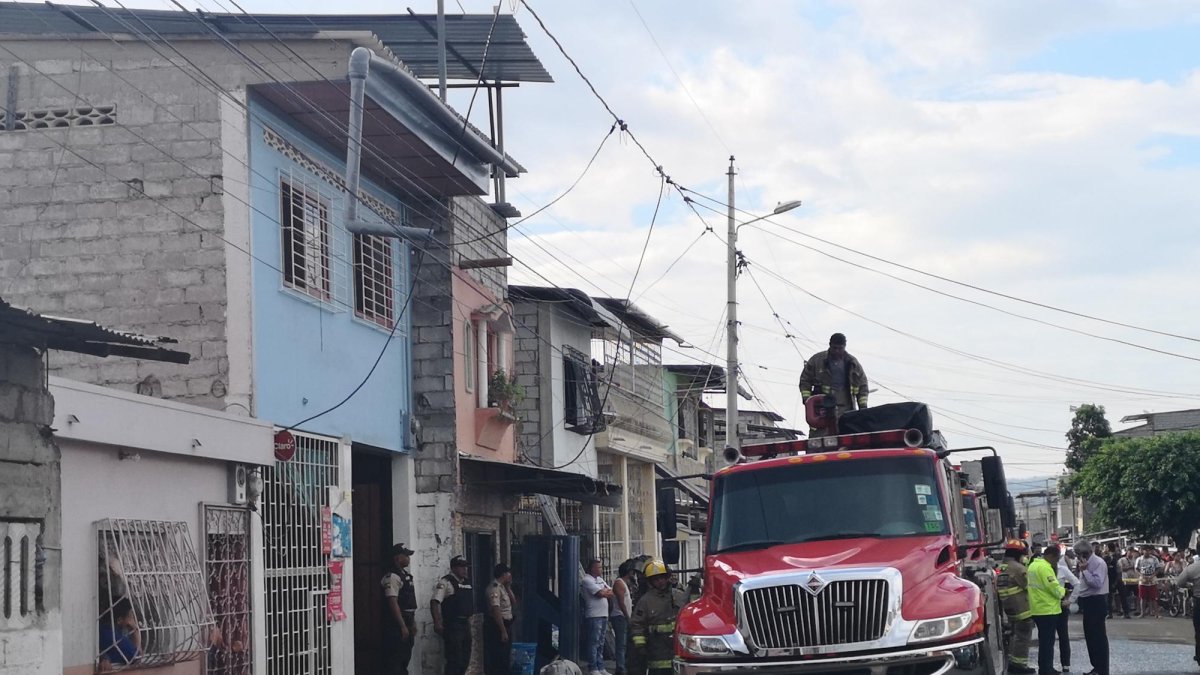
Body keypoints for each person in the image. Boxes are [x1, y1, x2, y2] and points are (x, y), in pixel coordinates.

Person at [798, 333, 869, 435]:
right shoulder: (817, 361)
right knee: (821, 437)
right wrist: (808, 401)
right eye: (834, 348)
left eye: (840, 348)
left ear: (844, 347)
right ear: (830, 345)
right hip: (823, 407)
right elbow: (805, 380)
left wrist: (863, 408)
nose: (837, 351)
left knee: (846, 437)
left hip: (846, 409)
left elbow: (862, 385)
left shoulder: (852, 363)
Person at [630, 560, 688, 675]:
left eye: (662, 578)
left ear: (667, 578)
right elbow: (637, 625)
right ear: (650, 582)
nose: (660, 581)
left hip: (678, 649)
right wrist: (640, 646)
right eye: (656, 579)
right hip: (656, 650)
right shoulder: (645, 601)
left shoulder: (677, 595)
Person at [431, 555, 474, 675]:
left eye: (466, 566)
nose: (465, 569)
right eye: (461, 567)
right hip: (453, 625)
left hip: (465, 624)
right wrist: (437, 622)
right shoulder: (446, 582)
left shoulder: (467, 583)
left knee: (465, 658)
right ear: (453, 568)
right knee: (455, 659)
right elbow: (435, 602)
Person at [998, 540, 1036, 674]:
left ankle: (1014, 664)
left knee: (1016, 636)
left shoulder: (1002, 567)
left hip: (1010, 609)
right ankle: (1019, 667)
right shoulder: (1018, 568)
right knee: (1023, 638)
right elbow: (1029, 586)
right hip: (1022, 609)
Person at [1074, 541, 1110, 675]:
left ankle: (1102, 669)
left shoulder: (1098, 563)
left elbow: (1097, 583)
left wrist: (1085, 571)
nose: (1077, 557)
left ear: (1085, 553)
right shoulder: (1085, 563)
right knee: (1090, 636)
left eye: (1078, 554)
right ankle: (1096, 667)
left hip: (1096, 600)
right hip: (1088, 601)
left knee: (1098, 636)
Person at [1029, 546, 1066, 675]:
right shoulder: (1045, 568)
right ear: (1051, 556)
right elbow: (1054, 588)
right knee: (1048, 643)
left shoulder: (1033, 566)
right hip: (1048, 609)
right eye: (1056, 559)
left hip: (1038, 608)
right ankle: (1046, 670)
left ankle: (1045, 668)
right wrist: (1063, 592)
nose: (1056, 562)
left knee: (1044, 642)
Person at [381, 543, 417, 675]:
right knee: (396, 659)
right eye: (406, 555)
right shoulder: (392, 576)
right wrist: (402, 625)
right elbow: (392, 602)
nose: (408, 558)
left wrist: (412, 623)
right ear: (397, 558)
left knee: (405, 658)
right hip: (397, 622)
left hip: (408, 619)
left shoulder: (405, 575)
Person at [580, 558, 614, 675]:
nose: (601, 569)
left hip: (604, 614)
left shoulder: (599, 579)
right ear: (592, 568)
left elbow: (611, 592)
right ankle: (593, 667)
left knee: (601, 642)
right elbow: (601, 594)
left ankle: (601, 666)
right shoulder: (587, 580)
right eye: (599, 567)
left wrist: (605, 592)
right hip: (594, 615)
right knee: (593, 642)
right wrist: (604, 592)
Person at [484, 563, 517, 675]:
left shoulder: (503, 587)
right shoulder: (494, 588)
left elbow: (513, 602)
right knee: (499, 658)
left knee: (506, 657)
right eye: (509, 573)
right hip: (498, 626)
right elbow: (496, 610)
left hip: (507, 625)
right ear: (503, 574)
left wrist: (508, 587)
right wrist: (502, 631)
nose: (510, 575)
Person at [1172, 553, 1200, 667]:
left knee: (1198, 631)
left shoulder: (1192, 568)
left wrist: (1191, 585)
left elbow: (1179, 582)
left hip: (1198, 601)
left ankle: (1199, 655)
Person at [99, 597, 141, 669]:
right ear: (119, 620)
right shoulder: (116, 638)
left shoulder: (101, 629)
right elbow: (137, 658)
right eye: (131, 616)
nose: (133, 619)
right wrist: (136, 631)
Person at [1056, 547, 1080, 673]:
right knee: (1046, 639)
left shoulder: (1062, 569)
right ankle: (1046, 666)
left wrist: (1070, 600)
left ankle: (1065, 664)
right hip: (1046, 609)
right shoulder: (1041, 569)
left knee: (1063, 636)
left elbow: (1077, 584)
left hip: (1060, 607)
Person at [610, 560, 635, 675]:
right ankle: (620, 667)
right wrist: (627, 616)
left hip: (623, 616)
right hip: (620, 616)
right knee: (621, 643)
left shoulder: (626, 584)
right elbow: (621, 602)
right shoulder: (619, 583)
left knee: (624, 643)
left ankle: (623, 665)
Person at [1103, 543, 1131, 619]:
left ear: (1108, 548)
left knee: (1111, 597)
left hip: (1114, 578)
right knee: (1121, 596)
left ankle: (1111, 613)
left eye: (1105, 547)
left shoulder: (1110, 557)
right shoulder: (1116, 556)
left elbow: (1118, 569)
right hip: (1116, 577)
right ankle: (1125, 612)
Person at [1135, 546, 1162, 618]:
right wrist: (1141, 575)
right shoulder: (1139, 559)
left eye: (1148, 550)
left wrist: (1153, 575)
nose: (1147, 552)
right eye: (1145, 550)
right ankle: (1142, 613)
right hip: (1143, 578)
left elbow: (1158, 568)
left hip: (1152, 578)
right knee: (1142, 597)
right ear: (1142, 551)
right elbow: (1136, 569)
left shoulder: (1154, 559)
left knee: (1153, 597)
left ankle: (1156, 613)